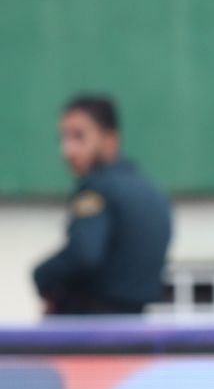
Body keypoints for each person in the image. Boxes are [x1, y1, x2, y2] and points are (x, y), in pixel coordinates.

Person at [33, 95, 172, 315]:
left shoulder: (96, 189)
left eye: (79, 136)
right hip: (137, 326)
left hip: (90, 326)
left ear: (109, 139)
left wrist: (41, 276)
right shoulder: (153, 192)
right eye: (64, 138)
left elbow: (84, 254)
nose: (67, 150)